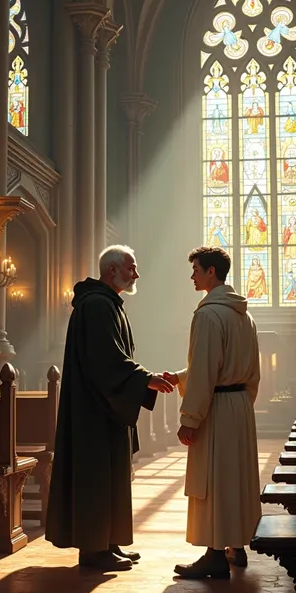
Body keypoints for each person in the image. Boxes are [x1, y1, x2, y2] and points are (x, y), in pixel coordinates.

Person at [45, 245, 173, 571]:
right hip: (95, 412)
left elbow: (114, 359)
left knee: (111, 479)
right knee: (96, 481)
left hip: (106, 409)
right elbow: (107, 361)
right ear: (112, 270)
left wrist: (142, 379)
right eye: (131, 267)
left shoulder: (107, 303)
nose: (136, 274)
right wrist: (146, 379)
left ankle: (108, 542)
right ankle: (93, 550)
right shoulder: (98, 305)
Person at [163, 246, 261, 579]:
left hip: (217, 407)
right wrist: (179, 378)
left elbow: (205, 370)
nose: (192, 275)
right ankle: (237, 545)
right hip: (239, 406)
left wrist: (189, 419)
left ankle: (214, 556)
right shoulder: (244, 314)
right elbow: (250, 372)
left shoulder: (208, 314)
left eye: (196, 269)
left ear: (211, 273)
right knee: (235, 479)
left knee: (215, 481)